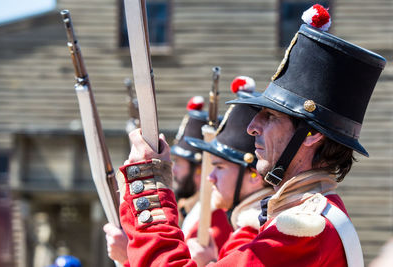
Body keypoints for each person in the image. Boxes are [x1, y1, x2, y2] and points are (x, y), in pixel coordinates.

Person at [116, 4, 386, 266]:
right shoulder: (297, 221)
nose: (252, 126)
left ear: (312, 134)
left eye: (271, 116)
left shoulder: (305, 230)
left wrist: (149, 189)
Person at [104, 96, 230, 265]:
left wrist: (128, 256)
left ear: (200, 170)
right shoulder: (187, 210)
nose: (173, 169)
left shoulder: (215, 219)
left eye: (179, 163)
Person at [185, 76, 274, 264]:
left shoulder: (251, 238)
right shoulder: (246, 230)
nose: (210, 177)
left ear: (254, 176)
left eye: (219, 167)